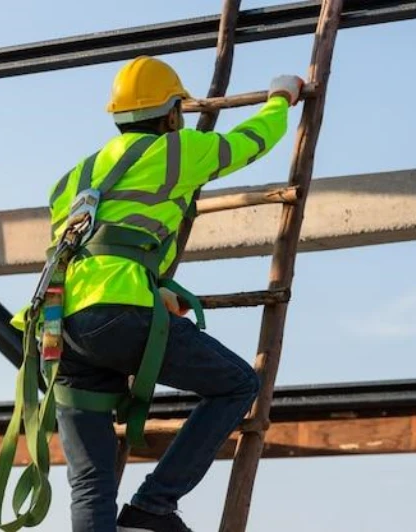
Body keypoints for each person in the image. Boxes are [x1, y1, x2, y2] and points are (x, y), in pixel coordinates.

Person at [36, 55, 303, 532]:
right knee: (238, 384)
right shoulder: (177, 150)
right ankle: (153, 507)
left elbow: (96, 249)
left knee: (91, 482)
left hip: (59, 327)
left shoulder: (73, 178)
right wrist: (281, 98)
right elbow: (251, 142)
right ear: (174, 113)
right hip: (118, 312)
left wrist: (155, 286)